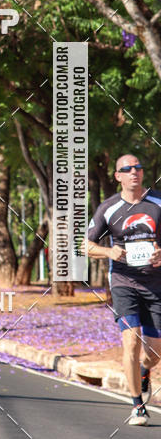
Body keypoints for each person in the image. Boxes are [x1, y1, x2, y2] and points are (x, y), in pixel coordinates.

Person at [87, 154, 161, 425]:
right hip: (123, 283)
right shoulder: (108, 208)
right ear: (118, 176)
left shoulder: (158, 202)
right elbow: (86, 246)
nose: (134, 172)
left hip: (156, 285)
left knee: (154, 353)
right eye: (127, 169)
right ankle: (137, 405)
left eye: (138, 168)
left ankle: (144, 370)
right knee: (130, 341)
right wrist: (110, 251)